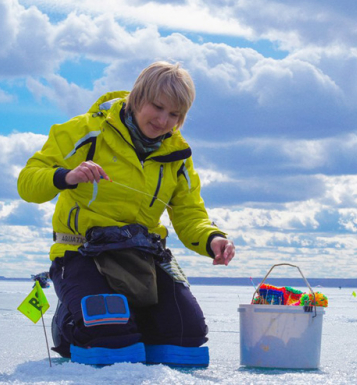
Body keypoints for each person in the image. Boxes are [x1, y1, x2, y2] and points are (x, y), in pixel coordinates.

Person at [17, 61, 235, 366]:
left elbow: (189, 213)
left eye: (174, 114)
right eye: (157, 107)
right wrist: (66, 176)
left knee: (187, 339)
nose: (163, 120)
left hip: (145, 255)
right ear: (137, 97)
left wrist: (213, 238)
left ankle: (131, 322)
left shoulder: (178, 155)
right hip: (81, 253)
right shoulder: (85, 132)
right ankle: (70, 323)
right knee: (112, 344)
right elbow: (27, 183)